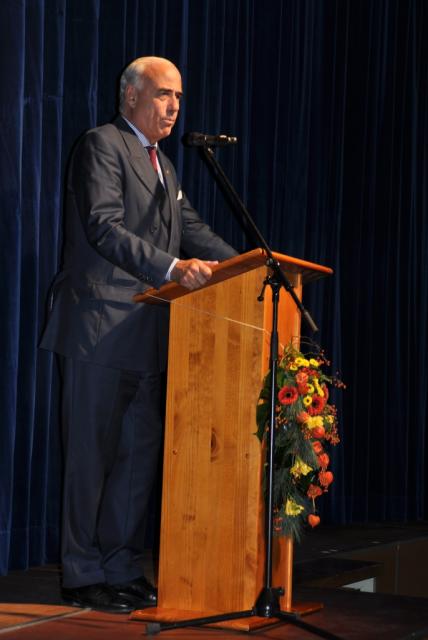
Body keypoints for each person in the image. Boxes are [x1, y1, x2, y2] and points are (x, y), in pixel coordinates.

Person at [40, 56, 237, 613]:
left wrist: (250, 266)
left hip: (148, 331)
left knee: (135, 461)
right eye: (163, 94)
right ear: (131, 95)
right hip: (98, 329)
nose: (174, 106)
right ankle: (82, 573)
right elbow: (104, 227)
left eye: (179, 97)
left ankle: (122, 566)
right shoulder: (102, 145)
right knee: (91, 459)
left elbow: (191, 228)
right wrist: (174, 268)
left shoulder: (164, 165)